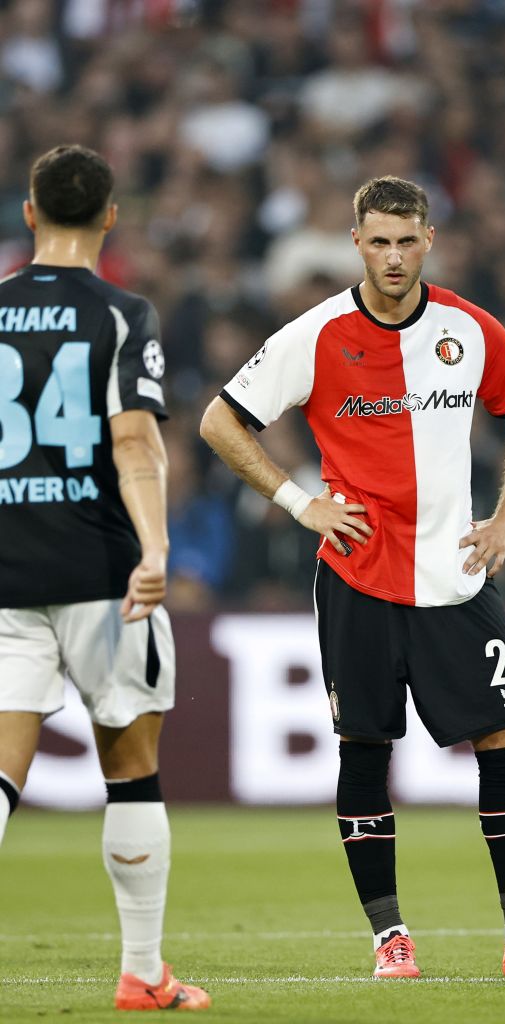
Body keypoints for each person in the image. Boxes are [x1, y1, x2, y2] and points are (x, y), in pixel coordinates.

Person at [201, 175, 505, 979]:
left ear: (430, 241)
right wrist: (298, 501)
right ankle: (389, 938)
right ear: (356, 243)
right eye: (379, 241)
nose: (393, 257)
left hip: (456, 577)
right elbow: (222, 420)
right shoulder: (318, 333)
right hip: (356, 578)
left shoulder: (472, 329)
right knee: (364, 750)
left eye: (407, 240)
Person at [0, 145, 210, 1011]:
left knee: (2, 774)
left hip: (6, 568)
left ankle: (145, 973)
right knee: (130, 767)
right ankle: (143, 972)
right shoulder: (122, 313)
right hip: (101, 570)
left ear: (30, 213)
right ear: (111, 218)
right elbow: (133, 441)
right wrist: (156, 550)